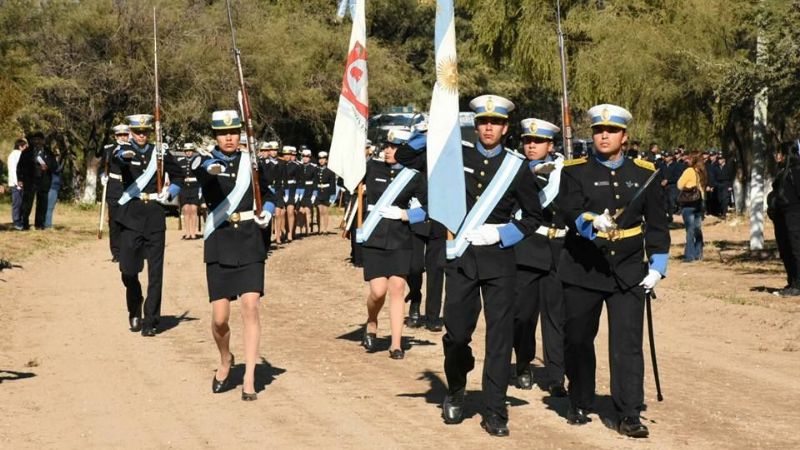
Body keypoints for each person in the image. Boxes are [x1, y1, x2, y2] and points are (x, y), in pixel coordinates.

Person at [556, 104, 670, 438]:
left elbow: (657, 225)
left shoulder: (644, 172)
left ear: (624, 136)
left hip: (628, 269)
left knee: (628, 344)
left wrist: (658, 267)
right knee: (577, 338)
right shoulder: (574, 170)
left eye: (611, 131)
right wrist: (590, 220)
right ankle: (579, 398)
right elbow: (568, 210)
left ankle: (629, 412)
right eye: (598, 130)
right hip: (583, 267)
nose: (603, 136)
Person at [439, 95, 543, 437]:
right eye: (483, 121)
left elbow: (533, 217)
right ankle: (456, 387)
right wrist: (435, 128)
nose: (488, 127)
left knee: (499, 339)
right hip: (462, 260)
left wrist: (502, 233)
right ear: (475, 124)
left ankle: (495, 409)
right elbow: (411, 157)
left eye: (495, 123)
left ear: (505, 127)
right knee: (456, 336)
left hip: (499, 261)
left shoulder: (516, 168)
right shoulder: (458, 157)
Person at [192, 110, 276, 401]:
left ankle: (250, 377)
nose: (229, 137)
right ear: (214, 135)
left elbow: (269, 193)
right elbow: (202, 174)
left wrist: (269, 212)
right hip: (219, 240)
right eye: (222, 133)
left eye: (233, 132)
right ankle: (226, 359)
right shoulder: (206, 162)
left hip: (250, 241)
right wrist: (208, 168)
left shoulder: (252, 163)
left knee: (251, 306)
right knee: (220, 319)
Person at [357, 129, 427, 360]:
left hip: (400, 239)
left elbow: (428, 209)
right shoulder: (372, 168)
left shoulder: (415, 176)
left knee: (397, 288)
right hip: (375, 238)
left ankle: (396, 343)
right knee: (378, 292)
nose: (388, 150)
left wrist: (405, 215)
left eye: (394, 147)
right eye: (387, 145)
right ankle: (372, 320)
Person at [511, 118, 567, 397]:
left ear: (550, 145)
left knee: (556, 316)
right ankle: (522, 363)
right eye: (527, 141)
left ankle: (557, 376)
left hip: (559, 248)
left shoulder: (564, 172)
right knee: (522, 315)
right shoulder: (514, 170)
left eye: (538, 142)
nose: (531, 146)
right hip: (528, 245)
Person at [114, 114, 184, 336]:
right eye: (137, 132)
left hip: (154, 214)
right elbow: (119, 159)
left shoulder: (160, 152)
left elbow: (179, 176)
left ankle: (150, 319)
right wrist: (124, 155)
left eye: (145, 132)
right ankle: (135, 306)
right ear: (131, 133)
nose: (142, 136)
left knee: (156, 271)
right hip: (131, 214)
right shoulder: (125, 151)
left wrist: (170, 191)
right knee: (128, 270)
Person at [768, 140, 800, 296]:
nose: (776, 155)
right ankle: (792, 281)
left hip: (794, 216)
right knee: (785, 249)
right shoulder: (781, 171)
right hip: (781, 217)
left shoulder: (796, 171)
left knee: (796, 249)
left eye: (779, 152)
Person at [100, 124, 130, 261]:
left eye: (125, 135)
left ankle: (128, 250)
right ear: (116, 136)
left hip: (129, 188)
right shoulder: (109, 149)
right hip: (113, 187)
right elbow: (103, 167)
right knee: (114, 222)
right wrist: (102, 176)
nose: (123, 137)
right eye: (120, 135)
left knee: (128, 221)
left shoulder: (133, 149)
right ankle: (116, 252)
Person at [17, 131, 57, 230]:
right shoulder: (26, 152)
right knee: (27, 203)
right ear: (32, 141)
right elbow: (20, 166)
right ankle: (24, 224)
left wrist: (48, 167)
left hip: (44, 181)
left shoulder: (48, 152)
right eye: (35, 140)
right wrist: (20, 179)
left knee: (42, 203)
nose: (37, 142)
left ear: (43, 141)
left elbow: (55, 166)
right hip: (30, 181)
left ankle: (39, 224)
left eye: (40, 140)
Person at [678, 152, 706, 262]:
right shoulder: (702, 171)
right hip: (700, 202)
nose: (686, 160)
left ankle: (689, 255)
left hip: (689, 203)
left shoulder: (689, 171)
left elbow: (679, 184)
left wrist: (687, 185)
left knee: (689, 230)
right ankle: (699, 253)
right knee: (697, 229)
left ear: (692, 160)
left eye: (688, 158)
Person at [177, 142, 202, 240]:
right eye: (186, 151)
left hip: (195, 187)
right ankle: (187, 233)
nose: (188, 152)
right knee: (186, 210)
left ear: (193, 151)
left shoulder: (197, 161)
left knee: (194, 210)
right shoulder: (180, 161)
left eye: (190, 151)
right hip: (184, 188)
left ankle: (193, 233)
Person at [297, 148, 319, 236]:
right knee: (301, 211)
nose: (305, 158)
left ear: (310, 157)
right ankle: (301, 229)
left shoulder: (313, 167)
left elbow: (316, 182)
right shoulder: (299, 166)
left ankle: (307, 230)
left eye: (307, 156)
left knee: (308, 211)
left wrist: (314, 194)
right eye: (303, 156)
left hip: (309, 190)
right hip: (301, 190)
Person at [314, 151, 337, 234]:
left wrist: (332, 195)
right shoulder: (316, 169)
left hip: (327, 192)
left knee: (325, 211)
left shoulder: (330, 171)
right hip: (318, 192)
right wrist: (314, 192)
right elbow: (315, 181)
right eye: (320, 159)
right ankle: (319, 229)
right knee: (319, 211)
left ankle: (325, 229)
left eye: (323, 159)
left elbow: (332, 184)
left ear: (326, 160)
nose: (321, 161)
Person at [7, 139, 27, 230]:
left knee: (18, 203)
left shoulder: (11, 155)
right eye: (25, 146)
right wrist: (18, 182)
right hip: (18, 183)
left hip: (14, 182)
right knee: (18, 203)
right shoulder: (18, 155)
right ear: (20, 146)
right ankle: (17, 222)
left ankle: (18, 221)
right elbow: (15, 170)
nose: (26, 148)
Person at [43, 146, 64, 229]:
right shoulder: (52, 164)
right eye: (56, 154)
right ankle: (47, 225)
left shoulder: (50, 163)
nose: (58, 156)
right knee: (49, 207)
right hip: (52, 187)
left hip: (54, 187)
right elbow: (57, 170)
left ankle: (46, 224)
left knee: (48, 207)